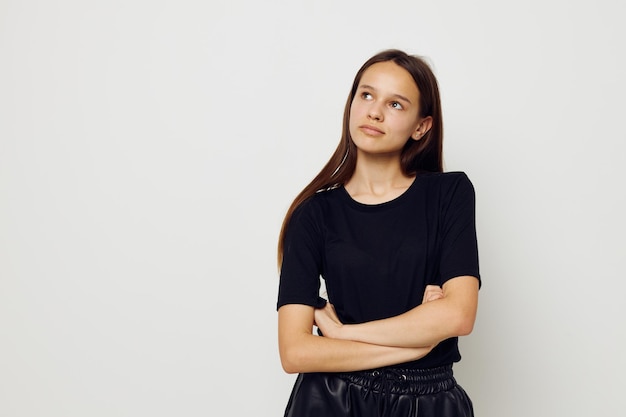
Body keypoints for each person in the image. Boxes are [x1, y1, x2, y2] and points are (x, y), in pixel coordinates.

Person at [276, 49, 481, 417]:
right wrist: (416, 344)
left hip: (431, 403)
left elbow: (458, 316)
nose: (374, 111)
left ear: (422, 126)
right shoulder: (314, 214)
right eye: (366, 95)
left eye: (396, 104)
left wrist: (341, 334)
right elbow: (295, 351)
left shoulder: (449, 194)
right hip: (333, 401)